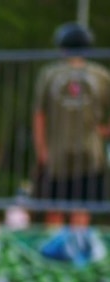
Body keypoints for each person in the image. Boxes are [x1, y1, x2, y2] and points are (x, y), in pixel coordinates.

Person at [32, 21, 110, 228]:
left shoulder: (50, 74)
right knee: (82, 207)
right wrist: (103, 130)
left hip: (57, 151)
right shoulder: (101, 75)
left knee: (55, 206)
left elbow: (39, 115)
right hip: (90, 151)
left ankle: (53, 255)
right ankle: (77, 253)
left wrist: (41, 149)